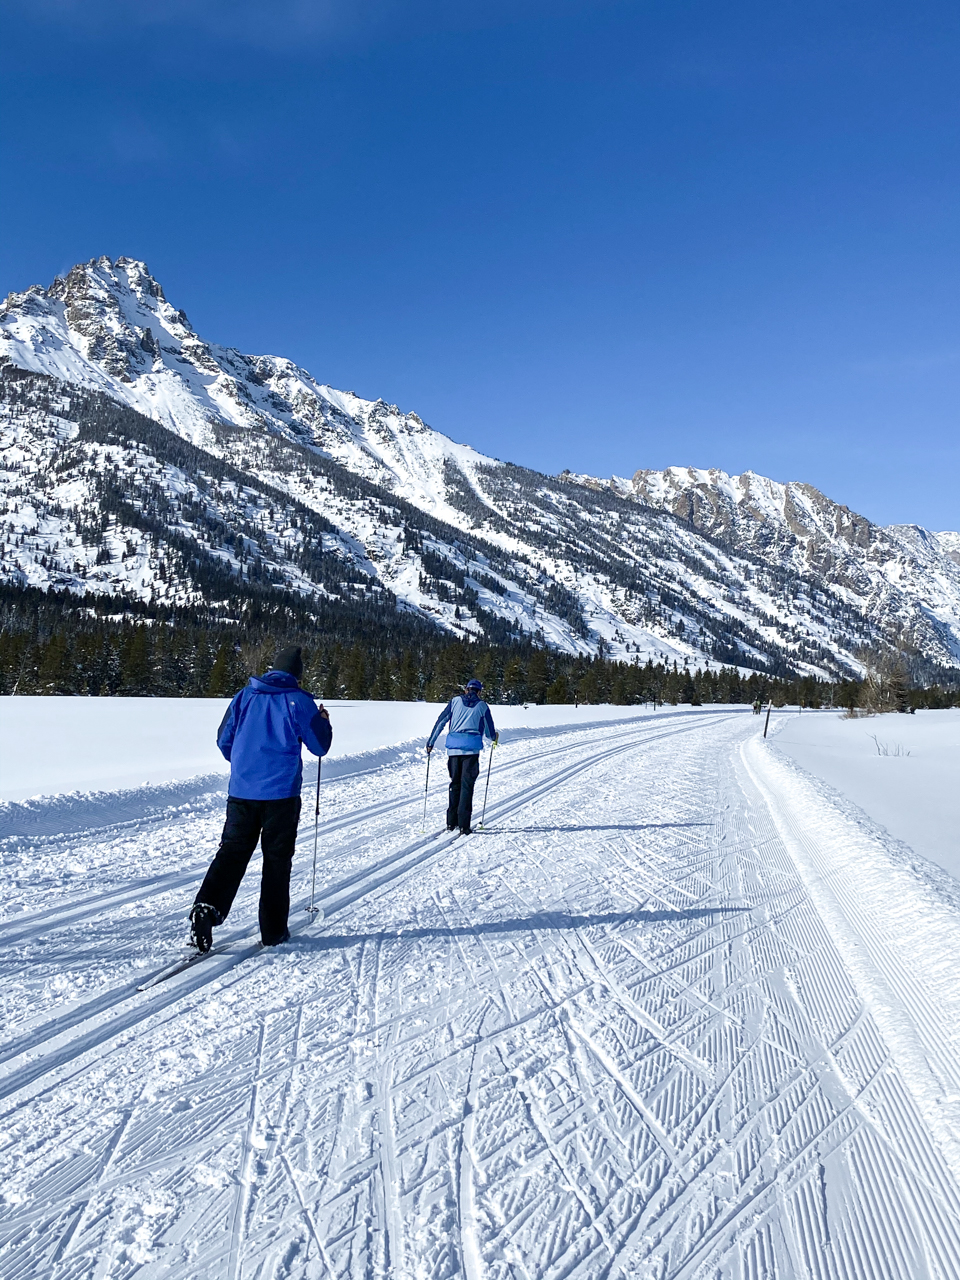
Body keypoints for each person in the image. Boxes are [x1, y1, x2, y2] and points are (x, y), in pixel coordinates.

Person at [189, 646, 332, 952]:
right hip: (281, 794)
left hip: (241, 791)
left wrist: (244, 765)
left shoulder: (244, 696)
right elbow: (319, 746)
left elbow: (223, 739)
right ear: (297, 674)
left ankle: (207, 907)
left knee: (231, 853)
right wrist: (323, 722)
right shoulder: (299, 701)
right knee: (276, 862)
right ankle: (273, 931)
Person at [427, 678, 498, 835]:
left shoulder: (454, 701)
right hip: (471, 751)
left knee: (455, 784)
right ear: (479, 692)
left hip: (453, 751)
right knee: (467, 786)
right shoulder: (483, 706)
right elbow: (489, 731)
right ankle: (464, 825)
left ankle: (451, 823)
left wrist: (430, 742)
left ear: (466, 689)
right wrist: (494, 738)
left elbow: (441, 722)